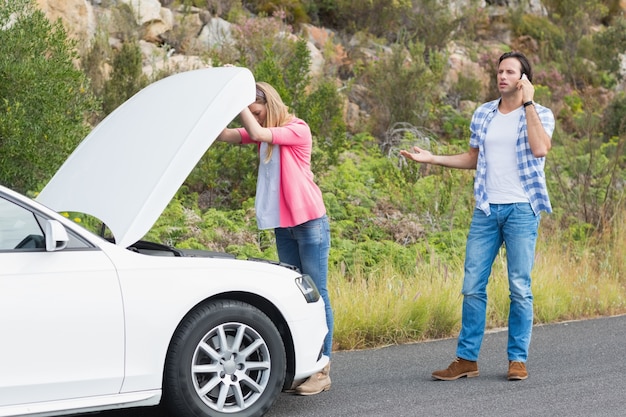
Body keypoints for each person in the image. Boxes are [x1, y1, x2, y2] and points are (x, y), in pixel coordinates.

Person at [400, 51, 555, 381]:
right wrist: (433, 158)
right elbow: (473, 158)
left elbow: (541, 148)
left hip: (522, 210)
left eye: (510, 72)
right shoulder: (484, 114)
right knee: (472, 286)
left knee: (520, 288)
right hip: (486, 209)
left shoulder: (540, 113)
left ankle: (517, 360)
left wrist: (528, 104)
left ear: (524, 79)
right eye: (500, 71)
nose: (502, 77)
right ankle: (466, 359)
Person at [217, 81, 333, 395]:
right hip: (284, 226)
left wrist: (239, 99)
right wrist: (216, 102)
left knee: (316, 293)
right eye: (252, 112)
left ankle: (322, 369)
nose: (254, 117)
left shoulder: (297, 129)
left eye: (256, 111)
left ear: (270, 104)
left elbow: (254, 132)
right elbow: (228, 134)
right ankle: (305, 365)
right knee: (295, 294)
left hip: (310, 223)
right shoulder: (266, 134)